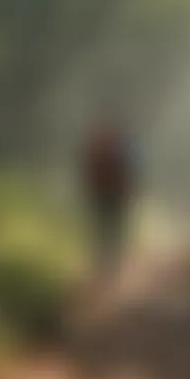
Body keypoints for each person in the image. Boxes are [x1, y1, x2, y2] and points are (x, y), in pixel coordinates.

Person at [81, 113, 136, 272]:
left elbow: (87, 169)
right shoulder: (121, 146)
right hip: (116, 192)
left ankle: (103, 257)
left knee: (101, 225)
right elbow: (129, 169)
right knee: (115, 224)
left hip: (99, 192)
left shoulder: (96, 145)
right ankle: (115, 257)